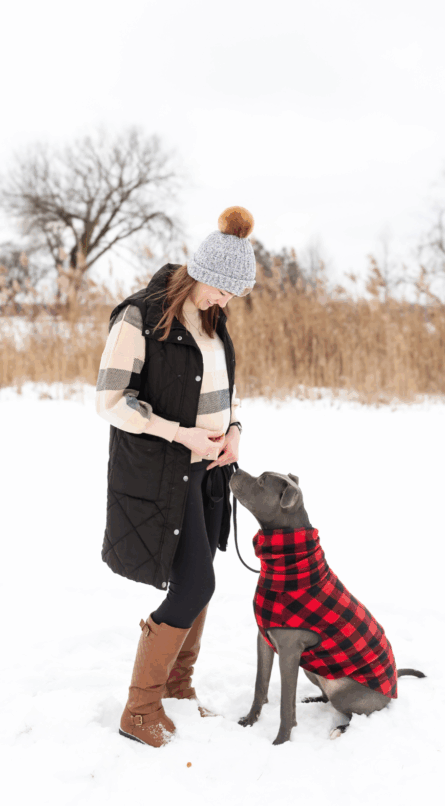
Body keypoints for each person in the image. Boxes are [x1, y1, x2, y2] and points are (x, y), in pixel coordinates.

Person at [96, 206, 257, 747]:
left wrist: (233, 429)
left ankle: (176, 691)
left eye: (235, 295)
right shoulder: (140, 317)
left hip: (209, 468)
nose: (227, 302)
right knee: (195, 583)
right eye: (224, 290)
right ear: (200, 272)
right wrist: (181, 434)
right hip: (166, 469)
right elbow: (111, 402)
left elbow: (225, 391)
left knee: (202, 574)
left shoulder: (213, 322)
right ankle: (139, 710)